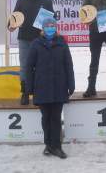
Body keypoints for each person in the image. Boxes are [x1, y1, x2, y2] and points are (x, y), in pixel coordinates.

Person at [27, 17, 75, 159]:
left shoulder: (62, 43)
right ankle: (48, 145)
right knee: (45, 118)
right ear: (42, 28)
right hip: (41, 87)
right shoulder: (35, 44)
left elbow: (68, 65)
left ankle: (57, 147)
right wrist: (29, 87)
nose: (50, 28)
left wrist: (71, 83)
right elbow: (29, 67)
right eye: (47, 26)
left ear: (56, 27)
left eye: (52, 25)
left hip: (59, 87)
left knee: (55, 118)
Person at [8, 0, 54, 105]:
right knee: (24, 66)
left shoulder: (47, 1)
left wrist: (48, 29)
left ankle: (39, 92)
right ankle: (25, 93)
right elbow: (14, 17)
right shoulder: (21, 0)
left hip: (41, 39)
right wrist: (10, 26)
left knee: (41, 66)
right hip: (24, 39)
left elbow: (52, 20)